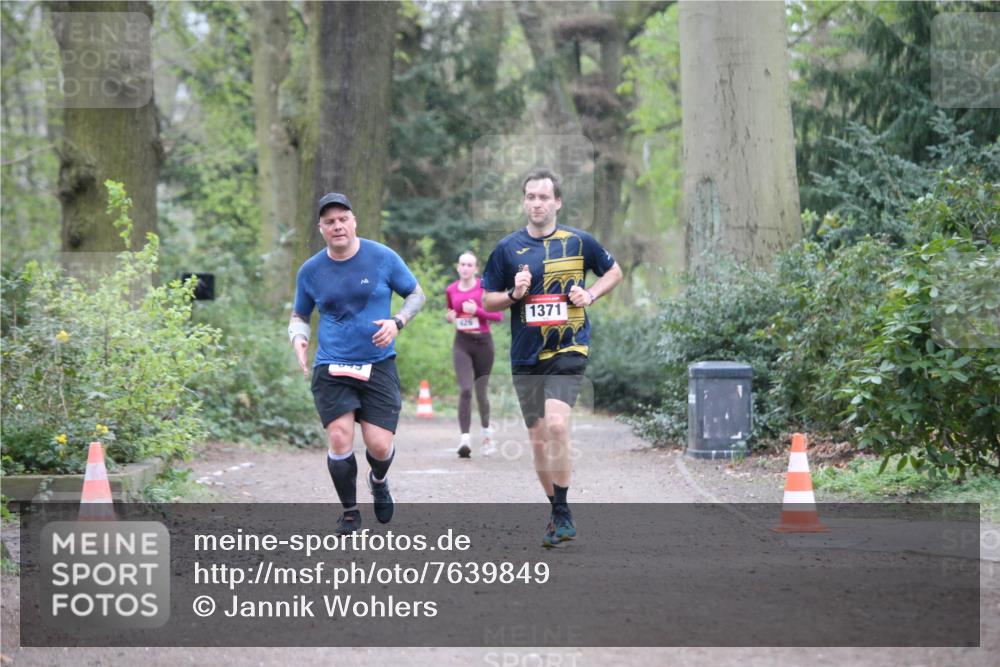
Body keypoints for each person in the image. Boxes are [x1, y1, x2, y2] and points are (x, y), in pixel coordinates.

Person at [482, 168, 623, 548]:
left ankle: (562, 511)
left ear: (557, 202)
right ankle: (554, 510)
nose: (537, 203)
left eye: (544, 197)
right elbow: (487, 299)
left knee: (558, 425)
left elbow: (614, 271)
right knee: (539, 438)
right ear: (524, 202)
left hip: (569, 346)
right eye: (530, 196)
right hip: (525, 354)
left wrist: (590, 295)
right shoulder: (507, 248)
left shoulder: (579, 242)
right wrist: (514, 293)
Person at [289, 192, 425, 535]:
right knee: (339, 436)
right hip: (332, 366)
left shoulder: (382, 257)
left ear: (354, 222)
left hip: (378, 364)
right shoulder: (311, 271)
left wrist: (398, 322)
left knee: (379, 445)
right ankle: (349, 511)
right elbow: (299, 315)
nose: (337, 226)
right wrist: (298, 338)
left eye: (342, 219)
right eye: (329, 222)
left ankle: (378, 480)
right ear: (320, 228)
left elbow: (416, 294)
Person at [445, 251, 503, 458]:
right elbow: (451, 312)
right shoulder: (451, 289)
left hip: (483, 344)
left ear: (476, 269)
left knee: (480, 391)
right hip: (462, 343)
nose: (466, 268)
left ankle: (487, 436)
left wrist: (477, 310)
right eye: (463, 264)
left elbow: (498, 316)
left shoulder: (484, 289)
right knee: (465, 390)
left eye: (470, 265)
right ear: (458, 267)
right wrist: (449, 317)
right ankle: (465, 440)